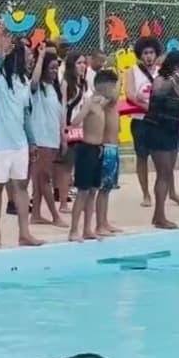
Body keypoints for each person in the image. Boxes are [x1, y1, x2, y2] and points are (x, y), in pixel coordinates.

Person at [0, 27, 42, 248]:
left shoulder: (22, 81)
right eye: (26, 56)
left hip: (19, 143)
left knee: (21, 187)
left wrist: (31, 141)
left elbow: (25, 114)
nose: (29, 60)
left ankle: (24, 233)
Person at [145, 51, 179, 229]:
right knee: (163, 173)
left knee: (168, 173)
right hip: (156, 130)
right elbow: (159, 92)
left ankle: (158, 216)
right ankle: (159, 217)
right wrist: (176, 77)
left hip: (172, 132)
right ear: (173, 67)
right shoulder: (160, 80)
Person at [68, 70, 111, 241]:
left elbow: (113, 97)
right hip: (86, 149)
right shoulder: (90, 103)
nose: (112, 90)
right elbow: (75, 122)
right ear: (101, 86)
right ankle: (73, 230)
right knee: (82, 192)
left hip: (98, 150)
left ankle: (87, 229)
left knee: (93, 191)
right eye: (110, 86)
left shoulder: (103, 103)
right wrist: (86, 107)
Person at [28, 43, 67, 227]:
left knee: (39, 180)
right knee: (44, 180)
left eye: (56, 68)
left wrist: (62, 138)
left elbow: (59, 116)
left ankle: (36, 214)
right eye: (51, 68)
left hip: (52, 139)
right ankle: (55, 216)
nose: (54, 71)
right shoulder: (38, 89)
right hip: (41, 139)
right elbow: (34, 81)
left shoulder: (54, 89)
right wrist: (41, 57)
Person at [124, 36, 159, 207]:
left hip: (160, 122)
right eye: (145, 53)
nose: (149, 56)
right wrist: (147, 107)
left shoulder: (162, 71)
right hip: (140, 120)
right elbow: (130, 95)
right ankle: (146, 194)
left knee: (163, 158)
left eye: (151, 52)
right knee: (142, 156)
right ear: (140, 54)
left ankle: (170, 191)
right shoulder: (132, 71)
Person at [58, 51, 89, 215]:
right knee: (67, 168)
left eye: (84, 63)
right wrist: (63, 130)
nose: (82, 66)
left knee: (81, 167)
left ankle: (81, 202)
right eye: (79, 63)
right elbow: (63, 108)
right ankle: (63, 202)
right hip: (70, 128)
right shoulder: (66, 84)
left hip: (83, 129)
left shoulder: (84, 84)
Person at [96, 69, 123, 237]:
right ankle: (99, 224)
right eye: (112, 86)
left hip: (113, 148)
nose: (116, 90)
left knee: (107, 189)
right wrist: (119, 79)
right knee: (102, 188)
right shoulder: (103, 101)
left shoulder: (111, 103)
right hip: (105, 149)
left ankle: (104, 221)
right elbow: (113, 95)